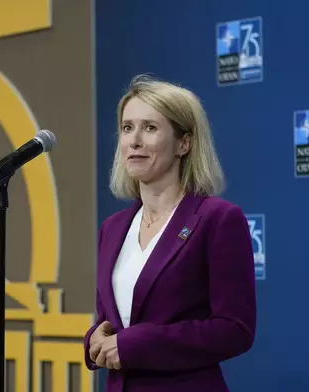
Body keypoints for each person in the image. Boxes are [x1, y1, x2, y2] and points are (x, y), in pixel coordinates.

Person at [83, 75, 257, 391]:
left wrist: (136, 344)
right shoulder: (113, 228)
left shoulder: (217, 220)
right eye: (127, 128)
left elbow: (235, 330)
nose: (134, 140)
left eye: (150, 128)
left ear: (184, 143)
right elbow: (112, 319)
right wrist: (94, 338)